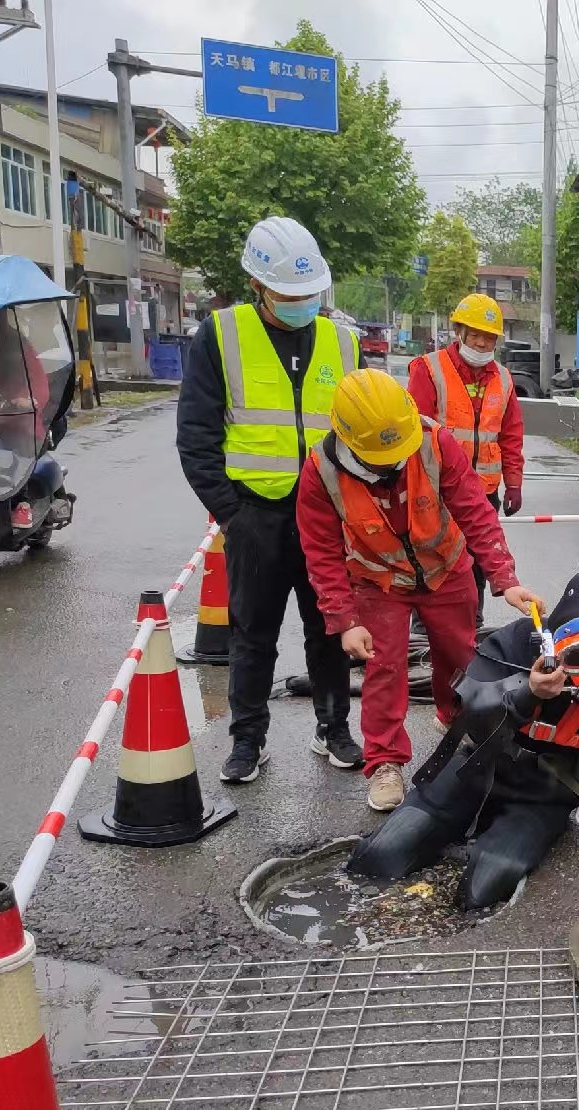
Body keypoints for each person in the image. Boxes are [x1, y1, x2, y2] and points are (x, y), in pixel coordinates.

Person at [348, 567, 579, 910]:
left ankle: (496, 842)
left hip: (543, 792)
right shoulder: (515, 644)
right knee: (380, 858)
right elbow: (471, 713)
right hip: (474, 769)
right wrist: (529, 693)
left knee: (482, 890)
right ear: (553, 645)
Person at [294, 369, 541, 811]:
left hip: (447, 569)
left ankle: (458, 719)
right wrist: (345, 621)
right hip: (380, 580)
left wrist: (505, 579)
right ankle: (385, 762)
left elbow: (474, 511)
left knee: (461, 657)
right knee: (384, 669)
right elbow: (322, 553)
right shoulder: (321, 472)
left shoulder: (433, 441)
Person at [176, 216, 359, 785]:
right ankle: (248, 740)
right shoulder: (221, 335)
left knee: (331, 628)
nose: (302, 303)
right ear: (258, 285)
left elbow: (363, 429)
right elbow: (196, 436)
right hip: (256, 513)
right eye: (289, 294)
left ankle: (333, 728)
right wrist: (232, 515)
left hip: (328, 516)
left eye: (310, 293)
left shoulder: (343, 342)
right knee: (251, 635)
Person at [407, 294, 527, 623]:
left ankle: (471, 628)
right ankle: (424, 634)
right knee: (432, 563)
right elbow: (413, 432)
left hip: (483, 492)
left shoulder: (503, 379)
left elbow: (511, 434)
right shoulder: (429, 370)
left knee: (476, 565)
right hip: (436, 492)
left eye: (489, 337)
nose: (482, 342)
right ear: (459, 331)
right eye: (475, 334)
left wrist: (513, 483)